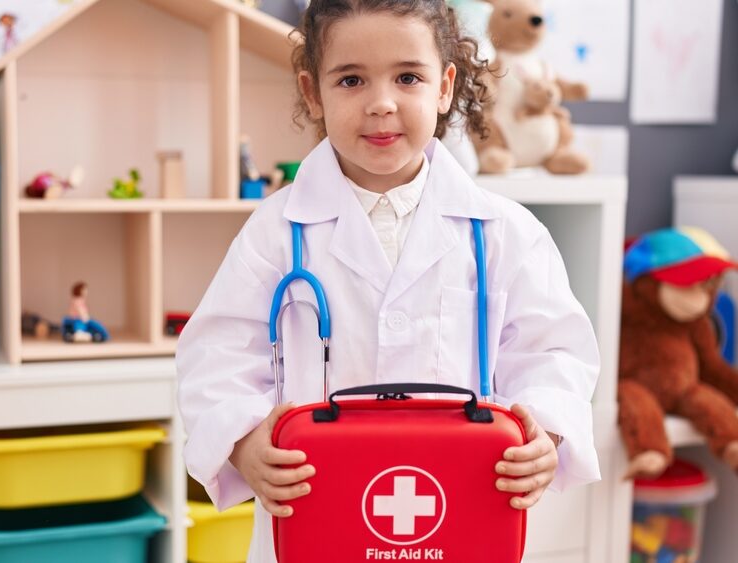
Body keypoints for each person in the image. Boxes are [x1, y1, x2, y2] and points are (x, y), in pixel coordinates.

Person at [176, 1, 601, 561]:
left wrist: (545, 433)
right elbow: (216, 356)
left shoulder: (505, 234)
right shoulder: (275, 234)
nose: (381, 103)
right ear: (313, 93)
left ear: (444, 87)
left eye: (408, 77)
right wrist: (243, 440)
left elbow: (554, 353)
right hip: (315, 513)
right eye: (351, 79)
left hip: (461, 510)